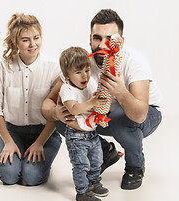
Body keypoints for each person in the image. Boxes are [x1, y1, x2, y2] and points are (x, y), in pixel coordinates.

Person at [42, 9, 162, 190]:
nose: (102, 45)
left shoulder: (134, 61)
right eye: (97, 38)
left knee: (122, 119)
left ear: (120, 41)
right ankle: (106, 151)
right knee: (62, 120)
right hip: (102, 114)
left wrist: (120, 91)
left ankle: (135, 167)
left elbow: (140, 115)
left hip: (144, 114)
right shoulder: (82, 62)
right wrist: (56, 112)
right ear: (90, 38)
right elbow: (47, 104)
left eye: (109, 38)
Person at [0, 13, 61, 186]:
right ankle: (22, 157)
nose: (33, 44)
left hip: (45, 133)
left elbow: (56, 112)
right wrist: (8, 141)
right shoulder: (3, 68)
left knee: (31, 178)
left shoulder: (53, 68)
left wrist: (39, 143)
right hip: (13, 132)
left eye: (36, 38)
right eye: (25, 40)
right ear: (14, 42)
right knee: (9, 177)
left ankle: (38, 165)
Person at [59, 47, 109, 201]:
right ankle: (82, 192)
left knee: (97, 161)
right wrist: (92, 102)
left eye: (87, 70)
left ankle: (94, 182)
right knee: (81, 165)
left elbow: (97, 96)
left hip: (92, 133)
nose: (85, 76)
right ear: (67, 75)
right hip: (76, 136)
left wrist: (100, 96)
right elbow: (73, 109)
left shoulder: (90, 82)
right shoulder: (66, 89)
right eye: (78, 72)